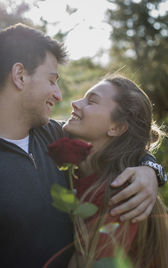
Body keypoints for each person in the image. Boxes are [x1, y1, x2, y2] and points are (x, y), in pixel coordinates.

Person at [0, 23, 165, 268]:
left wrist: (151, 170)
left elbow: (122, 145)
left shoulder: (55, 136)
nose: (61, 96)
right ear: (20, 76)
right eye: (52, 81)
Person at [61, 76, 168, 268]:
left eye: (91, 101)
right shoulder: (69, 165)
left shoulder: (121, 195)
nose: (75, 103)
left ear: (116, 127)